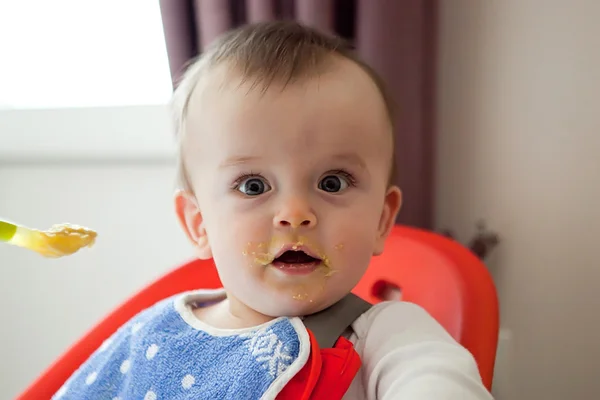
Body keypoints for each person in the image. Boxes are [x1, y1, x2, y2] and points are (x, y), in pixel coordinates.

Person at [52, 21, 494, 400]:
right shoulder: (158, 335)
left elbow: (435, 380)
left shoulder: (390, 336)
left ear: (381, 218)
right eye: (253, 185)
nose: (295, 214)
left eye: (332, 182)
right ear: (199, 223)